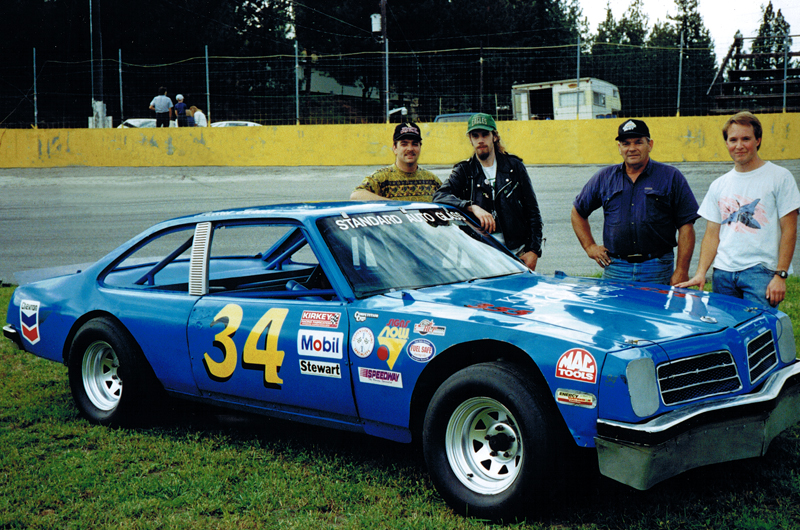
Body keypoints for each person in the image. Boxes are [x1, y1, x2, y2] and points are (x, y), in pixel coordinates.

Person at [677, 111, 800, 307]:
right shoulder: (719, 184)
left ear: (758, 140)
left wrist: (781, 274)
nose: (739, 145)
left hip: (761, 273)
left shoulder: (779, 177)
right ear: (726, 143)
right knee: (729, 333)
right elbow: (711, 235)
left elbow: (790, 230)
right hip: (723, 274)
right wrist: (701, 273)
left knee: (759, 333)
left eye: (746, 139)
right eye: (733, 139)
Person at [571, 119, 699, 285]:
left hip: (657, 268)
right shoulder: (604, 178)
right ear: (619, 148)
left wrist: (682, 270)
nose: (632, 148)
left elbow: (686, 226)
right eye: (626, 143)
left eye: (638, 142)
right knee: (614, 312)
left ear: (650, 144)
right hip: (616, 268)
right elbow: (578, 212)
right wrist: (590, 247)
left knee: (655, 312)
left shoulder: (671, 177)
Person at [433, 113, 543, 270]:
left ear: (495, 136)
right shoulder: (464, 170)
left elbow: (533, 211)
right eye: (475, 135)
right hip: (479, 255)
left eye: (485, 134)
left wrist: (533, 250)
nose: (480, 140)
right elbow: (439, 196)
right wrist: (471, 207)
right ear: (470, 139)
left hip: (516, 253)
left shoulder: (514, 166)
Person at [350, 122, 442, 202]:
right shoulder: (381, 178)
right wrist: (392, 204)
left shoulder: (432, 180)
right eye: (404, 144)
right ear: (395, 148)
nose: (410, 149)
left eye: (414, 144)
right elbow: (356, 195)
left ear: (420, 147)